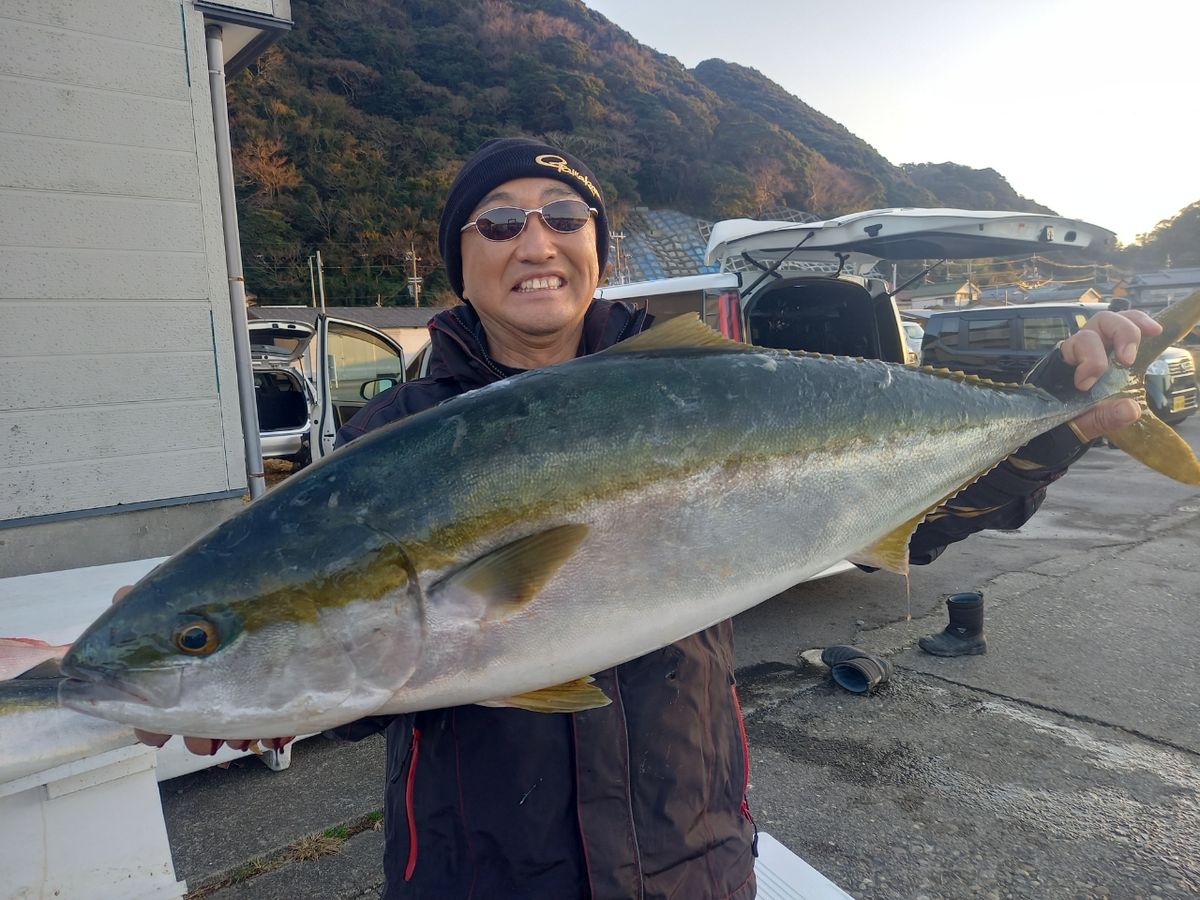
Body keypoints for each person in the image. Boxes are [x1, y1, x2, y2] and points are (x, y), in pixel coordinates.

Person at [134, 137, 1158, 899]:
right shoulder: (389, 442)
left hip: (689, 859)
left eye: (561, 217)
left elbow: (918, 523)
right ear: (461, 258)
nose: (532, 239)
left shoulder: (713, 386)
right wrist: (229, 678)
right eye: (497, 221)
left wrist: (1055, 416)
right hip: (471, 873)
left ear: (594, 249)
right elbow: (368, 640)